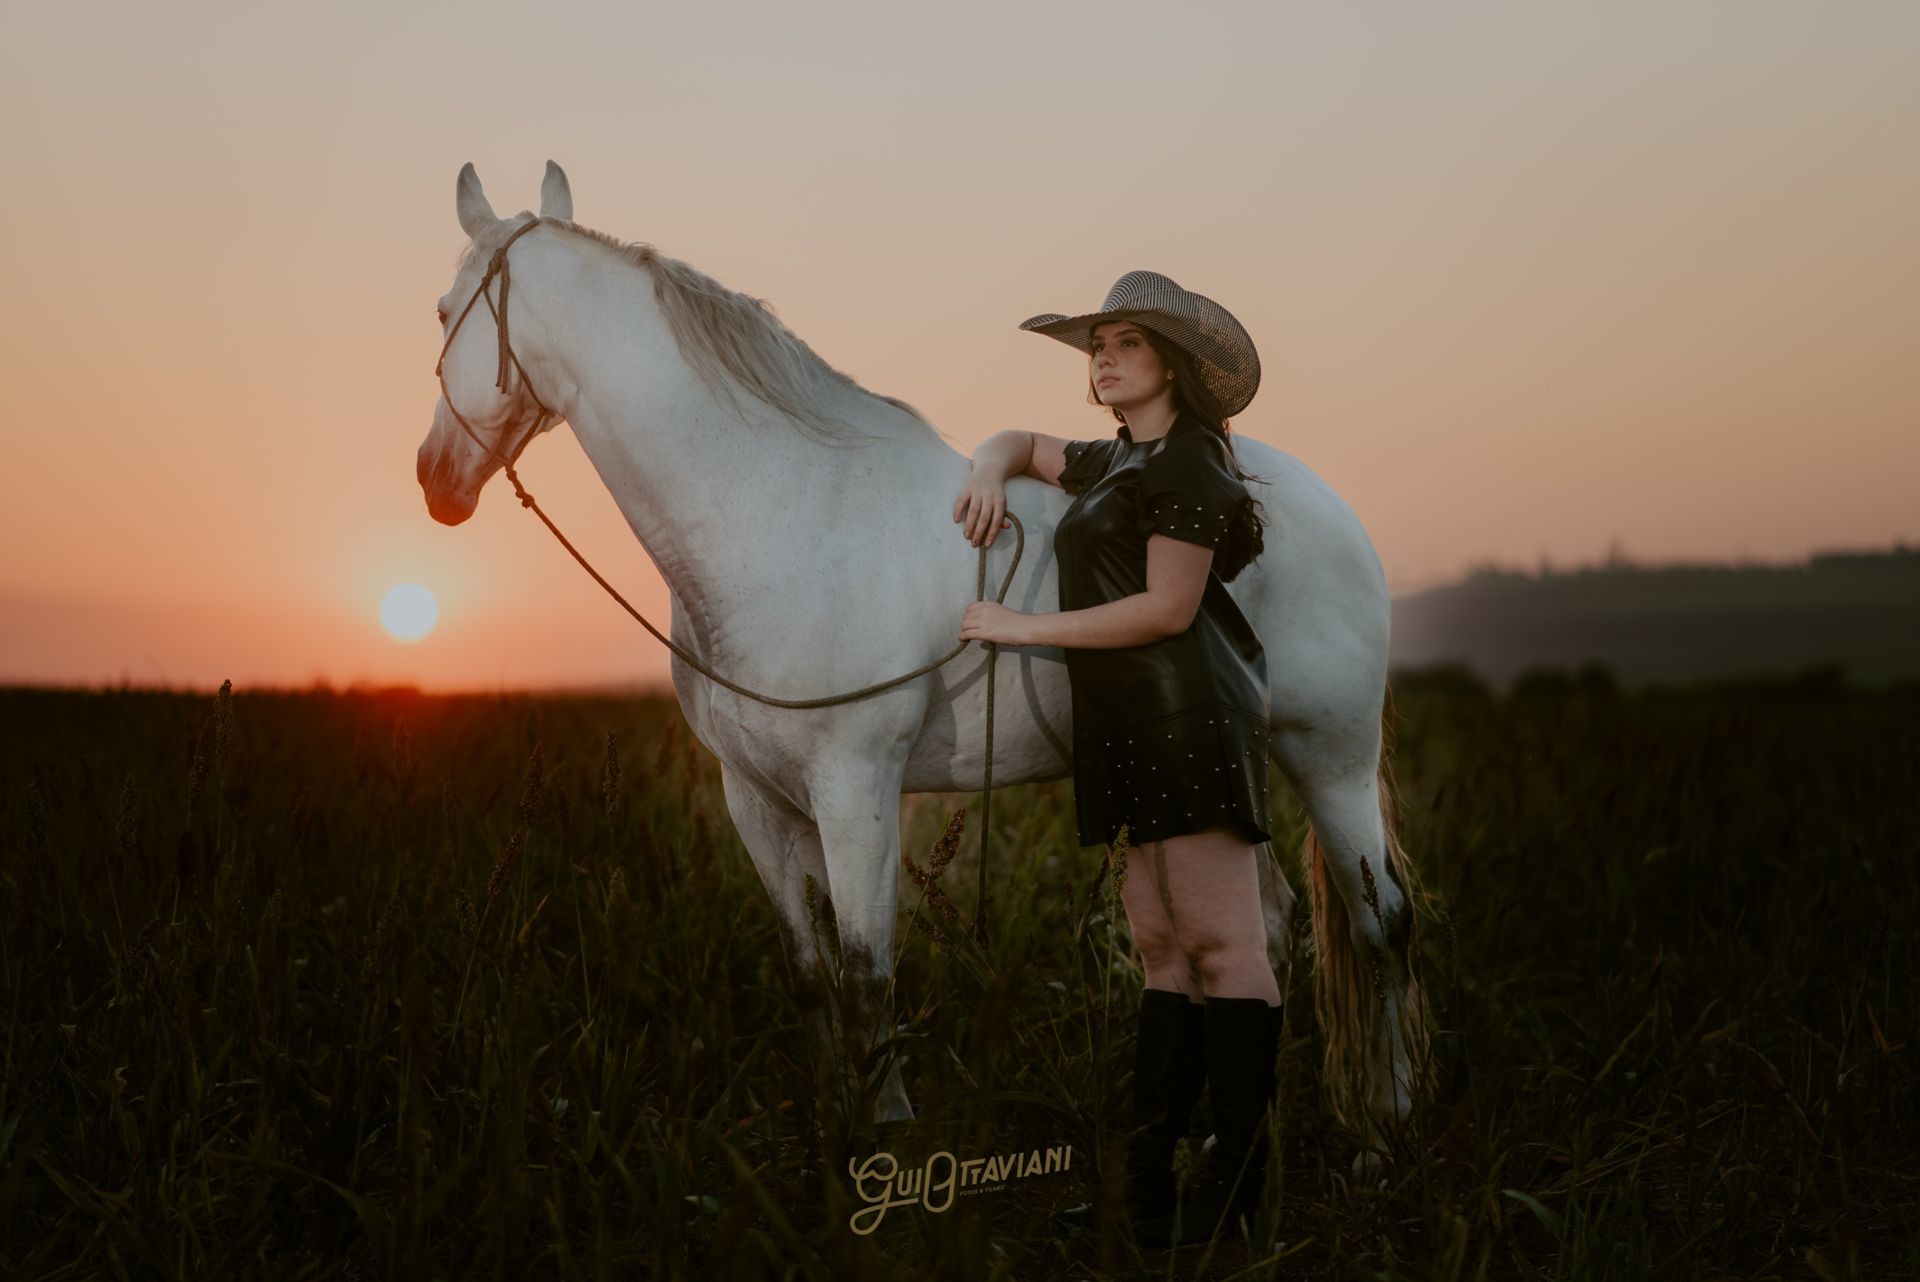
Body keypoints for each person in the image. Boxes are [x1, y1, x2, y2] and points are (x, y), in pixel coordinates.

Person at [951, 270, 1285, 1248]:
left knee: (1227, 949)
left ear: (1171, 364)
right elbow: (1014, 440)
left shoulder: (1188, 467)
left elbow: (1167, 610)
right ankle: (1146, 1195)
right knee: (1162, 950)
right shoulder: (1113, 463)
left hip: (1187, 719)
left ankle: (1231, 1203)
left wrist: (1020, 626)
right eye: (1097, 341)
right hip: (1125, 727)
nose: (1101, 355)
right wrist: (983, 471)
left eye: (1126, 341)